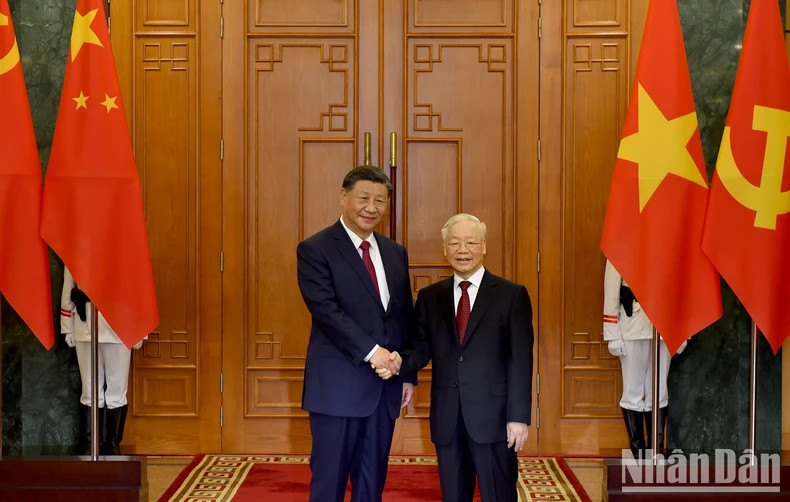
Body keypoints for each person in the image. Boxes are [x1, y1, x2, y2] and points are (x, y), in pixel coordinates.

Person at [378, 213, 534, 502]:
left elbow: (521, 360)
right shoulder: (429, 297)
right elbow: (421, 347)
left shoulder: (511, 295)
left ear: (484, 246)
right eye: (455, 243)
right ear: (445, 248)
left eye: (471, 242)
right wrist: (400, 362)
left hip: (495, 419)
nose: (463, 250)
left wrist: (518, 417)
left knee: (498, 494)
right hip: (448, 417)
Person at [296, 165, 416, 502]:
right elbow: (326, 311)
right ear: (343, 197)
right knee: (330, 480)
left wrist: (405, 371)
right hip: (337, 387)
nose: (371, 207)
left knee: (372, 478)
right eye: (363, 197)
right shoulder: (315, 248)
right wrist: (373, 351)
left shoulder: (395, 252)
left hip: (384, 386)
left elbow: (402, 314)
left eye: (380, 200)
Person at [603, 259, 684, 457]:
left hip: (665, 326)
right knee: (632, 391)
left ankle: (656, 450)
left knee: (659, 391)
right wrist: (612, 332)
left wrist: (683, 331)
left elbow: (683, 287)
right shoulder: (622, 243)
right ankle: (638, 450)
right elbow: (612, 288)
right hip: (633, 325)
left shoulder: (670, 243)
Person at [61, 266, 142, 455]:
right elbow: (69, 286)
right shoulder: (79, 243)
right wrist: (67, 327)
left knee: (117, 391)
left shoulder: (126, 245)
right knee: (89, 390)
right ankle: (90, 446)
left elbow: (139, 286)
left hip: (120, 323)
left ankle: (112, 447)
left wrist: (139, 328)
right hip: (86, 321)